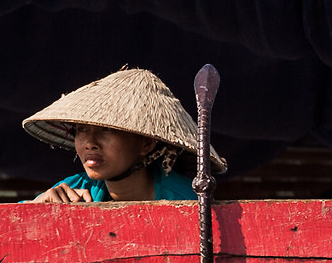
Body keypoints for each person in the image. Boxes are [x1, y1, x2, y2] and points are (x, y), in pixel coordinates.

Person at [21, 67, 220, 202]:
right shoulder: (75, 188)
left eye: (106, 129)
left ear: (146, 144)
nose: (90, 143)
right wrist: (38, 206)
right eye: (81, 129)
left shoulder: (187, 201)